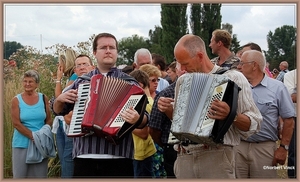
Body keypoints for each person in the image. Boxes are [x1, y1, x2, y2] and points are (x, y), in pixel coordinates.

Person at [157, 34, 262, 178]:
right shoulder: (182, 81)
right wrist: (169, 109)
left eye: (185, 63)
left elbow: (254, 123)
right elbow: (179, 123)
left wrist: (231, 115)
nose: (182, 69)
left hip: (215, 158)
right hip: (183, 158)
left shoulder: (233, 77)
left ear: (200, 56)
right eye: (179, 63)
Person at [51, 32, 149, 178]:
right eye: (104, 47)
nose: (108, 50)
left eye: (112, 47)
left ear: (117, 52)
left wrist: (137, 119)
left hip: (119, 157)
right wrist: (59, 100)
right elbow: (58, 111)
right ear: (95, 53)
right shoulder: (81, 81)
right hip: (85, 155)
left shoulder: (131, 83)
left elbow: (145, 119)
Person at [235, 50, 295, 178]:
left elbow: (289, 120)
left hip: (264, 149)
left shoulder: (278, 88)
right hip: (238, 148)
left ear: (254, 65)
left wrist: (283, 148)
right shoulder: (235, 86)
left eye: (242, 63)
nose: (238, 66)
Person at [52, 55, 95, 178]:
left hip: (99, 144)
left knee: (68, 159)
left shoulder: (100, 81)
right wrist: (68, 114)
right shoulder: (74, 86)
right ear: (75, 70)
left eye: (85, 64)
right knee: (70, 160)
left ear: (92, 67)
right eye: (78, 65)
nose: (82, 68)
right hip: (79, 138)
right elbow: (59, 110)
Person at [11, 70, 54, 178]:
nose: (27, 84)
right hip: (22, 144)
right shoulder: (16, 100)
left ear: (37, 84)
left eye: (31, 81)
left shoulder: (43, 98)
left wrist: (42, 135)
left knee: (39, 176)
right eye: (25, 81)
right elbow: (16, 123)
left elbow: (49, 120)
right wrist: (33, 136)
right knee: (20, 176)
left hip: (40, 145)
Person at [148, 61, 186, 178]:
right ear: (177, 70)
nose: (185, 70)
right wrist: (165, 144)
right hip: (172, 148)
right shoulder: (166, 94)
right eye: (181, 67)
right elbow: (154, 130)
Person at [128, 69, 157, 178]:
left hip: (141, 153)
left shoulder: (146, 104)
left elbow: (144, 133)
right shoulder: (150, 101)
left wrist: (123, 126)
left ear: (139, 85)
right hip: (143, 152)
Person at [284, 68, 297, 178]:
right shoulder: (290, 75)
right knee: (294, 151)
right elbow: (292, 97)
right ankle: (293, 177)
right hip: (296, 117)